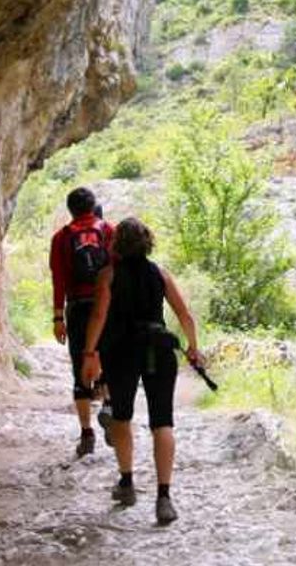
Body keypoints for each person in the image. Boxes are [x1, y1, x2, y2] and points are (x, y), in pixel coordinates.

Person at [81, 217, 202, 525]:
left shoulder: (108, 275)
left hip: (121, 352)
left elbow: (98, 315)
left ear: (117, 243)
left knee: (121, 417)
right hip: (159, 351)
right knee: (163, 422)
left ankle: (127, 482)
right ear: (147, 242)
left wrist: (90, 354)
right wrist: (192, 348)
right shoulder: (160, 274)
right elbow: (185, 315)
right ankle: (164, 497)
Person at [49, 186, 114, 457]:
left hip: (76, 306)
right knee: (107, 357)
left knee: (79, 366)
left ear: (71, 209)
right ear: (92, 206)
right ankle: (109, 405)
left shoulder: (61, 238)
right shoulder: (109, 230)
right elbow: (116, 269)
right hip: (105, 303)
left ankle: (86, 434)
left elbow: (59, 279)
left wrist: (57, 317)